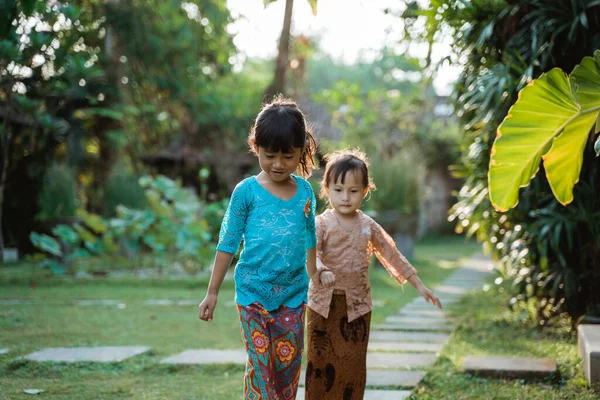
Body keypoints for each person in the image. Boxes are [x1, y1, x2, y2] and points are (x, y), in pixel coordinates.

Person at [198, 95, 319, 400]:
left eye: (288, 156)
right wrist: (212, 291)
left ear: (302, 151)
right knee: (261, 369)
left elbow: (309, 237)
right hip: (253, 295)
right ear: (256, 146)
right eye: (269, 155)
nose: (278, 164)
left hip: (292, 296)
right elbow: (227, 241)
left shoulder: (305, 192)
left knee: (286, 372)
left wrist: (315, 275)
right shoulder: (246, 192)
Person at [305, 149, 442, 400]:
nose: (345, 197)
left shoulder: (368, 226)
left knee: (353, 366)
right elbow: (313, 254)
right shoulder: (321, 223)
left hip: (357, 307)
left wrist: (419, 285)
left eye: (353, 190)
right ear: (326, 189)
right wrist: (321, 270)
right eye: (338, 190)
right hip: (322, 307)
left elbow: (392, 254)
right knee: (321, 365)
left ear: (365, 191)